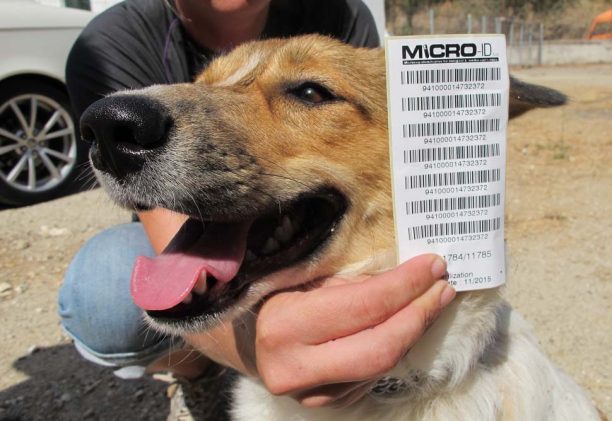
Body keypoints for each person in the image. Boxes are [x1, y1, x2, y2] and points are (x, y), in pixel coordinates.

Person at [59, 0, 456, 412]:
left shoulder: (341, 12)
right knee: (105, 287)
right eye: (202, 84)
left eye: (309, 92)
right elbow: (168, 238)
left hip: (277, 219)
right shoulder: (115, 40)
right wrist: (256, 356)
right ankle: (199, 372)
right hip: (179, 223)